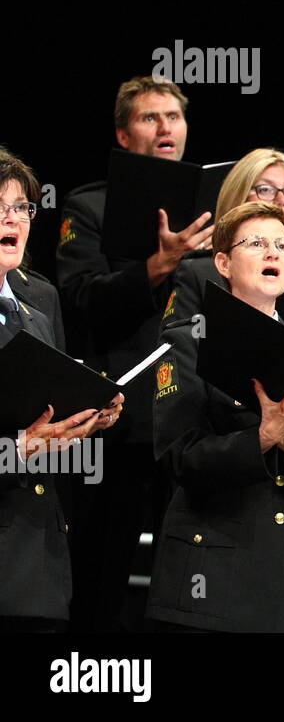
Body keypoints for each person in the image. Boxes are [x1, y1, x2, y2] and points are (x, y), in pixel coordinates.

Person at [147, 201, 284, 632]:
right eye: (256, 243)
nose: (273, 253)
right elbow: (179, 457)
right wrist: (262, 437)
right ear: (223, 262)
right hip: (214, 572)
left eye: (281, 245)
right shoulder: (189, 341)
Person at [56, 75, 209, 632]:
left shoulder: (217, 210)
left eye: (174, 116)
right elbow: (79, 299)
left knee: (194, 580)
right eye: (150, 117)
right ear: (124, 135)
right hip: (116, 420)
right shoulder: (89, 204)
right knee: (99, 579)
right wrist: (158, 266)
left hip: (193, 419)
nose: (166, 127)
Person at [2, 147, 122, 632]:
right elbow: (24, 442)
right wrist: (18, 449)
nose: (12, 218)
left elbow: (45, 414)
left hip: (36, 558)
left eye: (21, 207)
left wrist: (87, 414)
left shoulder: (39, 298)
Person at [161, 148, 284, 328]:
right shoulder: (199, 272)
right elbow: (182, 351)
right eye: (265, 190)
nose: (281, 201)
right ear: (237, 199)